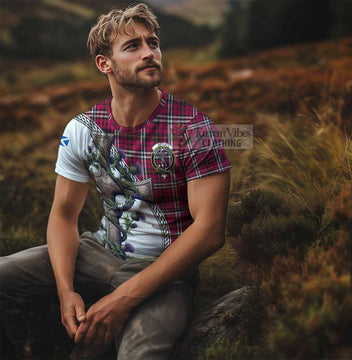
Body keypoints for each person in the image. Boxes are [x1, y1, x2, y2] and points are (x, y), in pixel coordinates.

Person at [0, 3, 231, 359]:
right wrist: (65, 292)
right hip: (97, 252)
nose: (149, 53)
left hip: (164, 274)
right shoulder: (82, 129)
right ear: (104, 64)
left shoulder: (195, 128)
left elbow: (211, 230)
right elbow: (63, 216)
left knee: (139, 354)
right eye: (133, 46)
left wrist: (121, 300)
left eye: (152, 43)